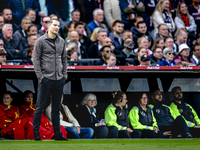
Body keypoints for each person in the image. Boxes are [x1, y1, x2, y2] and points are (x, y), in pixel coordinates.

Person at [33, 18, 67, 141]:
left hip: (59, 79)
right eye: (54, 25)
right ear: (48, 26)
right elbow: (35, 60)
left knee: (56, 108)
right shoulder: (40, 41)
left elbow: (64, 59)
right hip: (45, 79)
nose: (57, 27)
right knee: (39, 107)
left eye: (58, 25)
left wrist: (64, 75)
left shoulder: (62, 41)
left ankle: (58, 134)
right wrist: (41, 77)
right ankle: (36, 135)